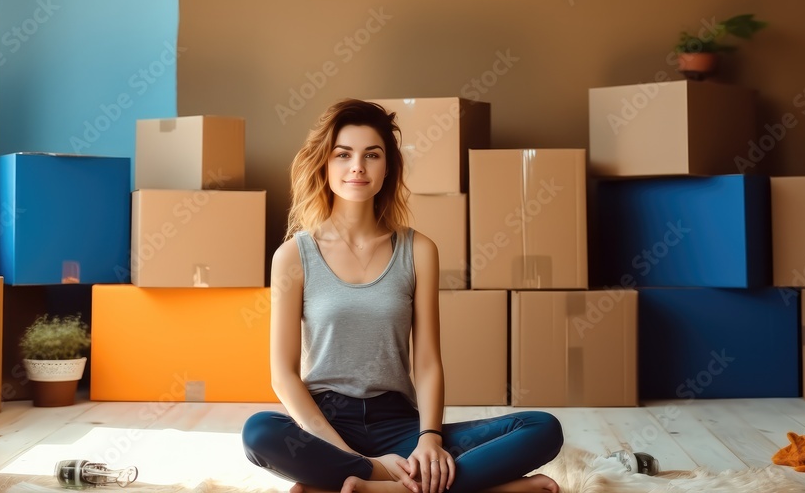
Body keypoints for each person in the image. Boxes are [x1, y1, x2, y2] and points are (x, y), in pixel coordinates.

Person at [242, 99, 564, 493]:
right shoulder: (293, 255)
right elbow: (284, 376)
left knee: (541, 428)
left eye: (371, 155)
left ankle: (378, 490)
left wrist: (429, 438)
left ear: (387, 167)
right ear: (324, 164)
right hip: (325, 424)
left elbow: (427, 361)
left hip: (399, 424)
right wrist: (364, 462)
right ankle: (470, 487)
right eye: (343, 154)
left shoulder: (419, 250)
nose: (357, 166)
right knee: (258, 432)